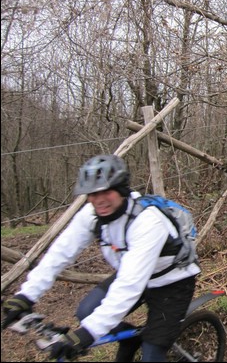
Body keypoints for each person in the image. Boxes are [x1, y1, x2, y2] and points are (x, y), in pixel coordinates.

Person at [2, 155, 201, 362]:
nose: (99, 200)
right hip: (134, 272)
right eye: (92, 193)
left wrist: (86, 335)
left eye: (106, 191)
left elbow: (128, 286)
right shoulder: (92, 214)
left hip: (171, 281)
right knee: (86, 312)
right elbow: (59, 253)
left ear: (122, 189)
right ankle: (130, 339)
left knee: (152, 352)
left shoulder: (148, 222)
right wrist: (27, 295)